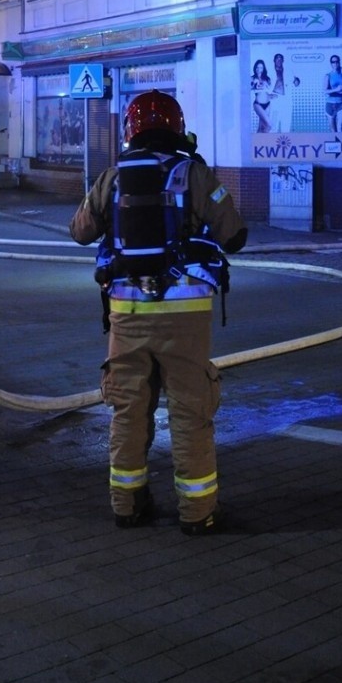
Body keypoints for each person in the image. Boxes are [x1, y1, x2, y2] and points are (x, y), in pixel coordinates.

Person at [69, 90, 247, 535]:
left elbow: (79, 232)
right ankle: (197, 513)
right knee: (190, 411)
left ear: (131, 130)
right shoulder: (196, 174)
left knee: (128, 409)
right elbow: (235, 235)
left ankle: (127, 505)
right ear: (177, 127)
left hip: (127, 314)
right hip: (186, 316)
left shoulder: (113, 177)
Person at [270, 51, 300, 132]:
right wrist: (268, 95)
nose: (279, 60)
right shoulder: (269, 72)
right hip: (275, 101)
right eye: (277, 59)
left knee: (286, 125)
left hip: (286, 100)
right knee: (273, 126)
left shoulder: (289, 71)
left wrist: (297, 80)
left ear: (283, 61)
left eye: (280, 59)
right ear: (274, 60)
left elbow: (296, 83)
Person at [324, 54, 342, 132]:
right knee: (333, 130)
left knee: (340, 127)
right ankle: (335, 144)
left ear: (339, 62)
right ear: (331, 64)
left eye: (337, 61)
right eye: (333, 62)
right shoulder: (328, 76)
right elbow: (325, 91)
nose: (335, 63)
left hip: (341, 103)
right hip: (330, 103)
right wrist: (336, 90)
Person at [251, 59, 273, 132]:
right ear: (255, 68)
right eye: (257, 67)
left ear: (263, 69)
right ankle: (260, 141)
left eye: (261, 68)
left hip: (268, 104)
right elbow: (249, 89)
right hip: (258, 104)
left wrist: (266, 87)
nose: (259, 69)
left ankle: (258, 142)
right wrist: (254, 85)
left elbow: (270, 91)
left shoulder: (267, 79)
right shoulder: (252, 78)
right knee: (269, 125)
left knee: (262, 127)